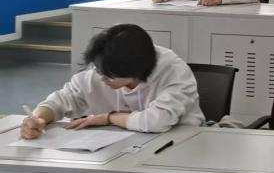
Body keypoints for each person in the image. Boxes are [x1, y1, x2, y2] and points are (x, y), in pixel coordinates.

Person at [20, 24, 205, 139]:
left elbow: (157, 121)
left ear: (134, 71)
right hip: (123, 143)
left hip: (180, 141)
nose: (102, 78)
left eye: (109, 76)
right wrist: (38, 118)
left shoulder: (173, 72)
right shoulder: (107, 65)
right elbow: (62, 99)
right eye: (99, 70)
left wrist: (108, 118)